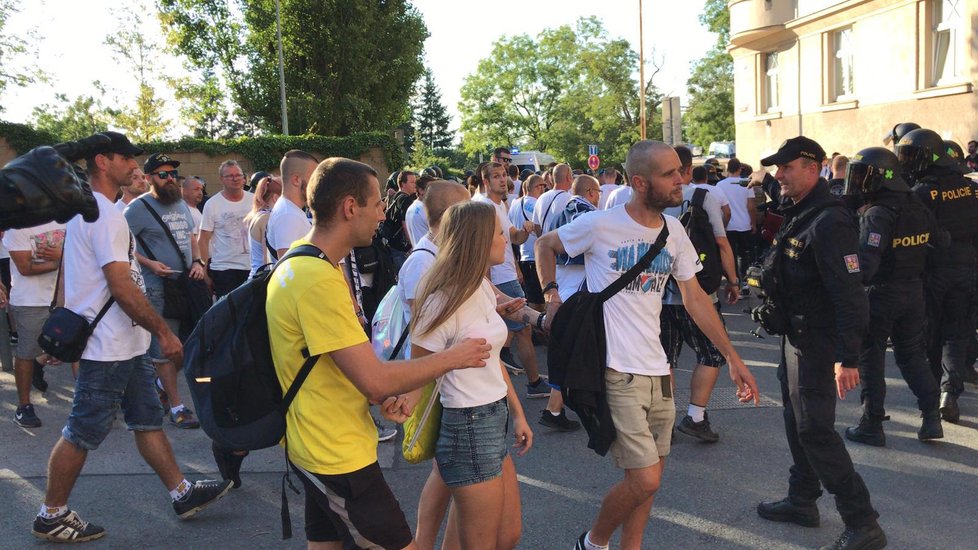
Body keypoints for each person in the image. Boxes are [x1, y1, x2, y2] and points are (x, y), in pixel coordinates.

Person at [535, 140, 758, 550]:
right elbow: (544, 244)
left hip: (659, 372)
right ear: (640, 182)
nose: (681, 179)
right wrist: (552, 294)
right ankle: (594, 542)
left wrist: (732, 356)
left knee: (648, 480)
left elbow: (693, 299)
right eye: (670, 174)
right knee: (645, 476)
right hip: (617, 371)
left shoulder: (674, 231)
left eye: (681, 171)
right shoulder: (601, 224)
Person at [267, 157, 491, 549]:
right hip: (334, 452)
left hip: (316, 441)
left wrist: (386, 392)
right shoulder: (315, 279)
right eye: (376, 204)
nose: (382, 213)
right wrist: (454, 356)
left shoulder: (303, 260)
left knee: (325, 543)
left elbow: (338, 366)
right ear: (350, 207)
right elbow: (373, 380)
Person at [32, 132, 231, 543]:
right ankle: (51, 513)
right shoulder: (102, 215)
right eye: (126, 158)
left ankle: (181, 492)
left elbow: (76, 276)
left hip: (127, 342)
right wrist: (163, 331)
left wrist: (62, 326)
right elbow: (121, 286)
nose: (134, 166)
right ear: (102, 161)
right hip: (110, 346)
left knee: (146, 420)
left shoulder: (90, 212)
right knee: (82, 431)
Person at [752, 136, 885, 550]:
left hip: (818, 342)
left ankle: (863, 523)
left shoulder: (830, 221)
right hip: (794, 335)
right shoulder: (801, 213)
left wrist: (848, 357)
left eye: (787, 167)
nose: (780, 175)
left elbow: (849, 293)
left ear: (814, 167)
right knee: (796, 421)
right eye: (778, 168)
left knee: (816, 429)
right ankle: (802, 499)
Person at [411, 200, 533, 550]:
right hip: (468, 425)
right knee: (482, 543)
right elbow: (417, 371)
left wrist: (519, 413)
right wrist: (395, 400)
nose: (504, 239)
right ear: (479, 240)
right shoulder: (441, 299)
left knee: (506, 536)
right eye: (498, 233)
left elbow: (491, 358)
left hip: (493, 418)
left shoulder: (478, 286)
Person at [841, 146, 944, 446]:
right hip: (914, 292)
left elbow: (867, 265)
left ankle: (872, 424)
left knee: (870, 358)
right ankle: (931, 416)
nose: (857, 183)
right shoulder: (915, 203)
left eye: (862, 176)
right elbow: (941, 240)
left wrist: (845, 272)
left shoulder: (877, 214)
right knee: (912, 355)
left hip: (882, 295)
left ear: (879, 178)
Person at [661, 145, 741, 443]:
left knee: (664, 359)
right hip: (697, 292)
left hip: (659, 294)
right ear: (687, 168)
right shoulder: (702, 197)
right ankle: (695, 416)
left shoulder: (655, 200)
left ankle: (664, 419)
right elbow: (721, 243)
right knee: (713, 352)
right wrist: (733, 281)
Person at [901, 128, 978, 423]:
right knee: (957, 335)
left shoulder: (922, 192)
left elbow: (916, 237)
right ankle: (951, 392)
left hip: (934, 272)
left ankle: (933, 395)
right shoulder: (972, 188)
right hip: (967, 268)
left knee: (932, 335)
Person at [125, 152, 206, 430]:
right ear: (149, 179)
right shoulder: (136, 209)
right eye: (163, 174)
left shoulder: (181, 204)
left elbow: (192, 237)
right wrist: (149, 264)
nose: (170, 178)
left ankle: (159, 382)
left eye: (173, 173)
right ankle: (177, 406)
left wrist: (198, 261)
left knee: (191, 346)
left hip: (186, 286)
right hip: (158, 289)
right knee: (165, 350)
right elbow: (122, 247)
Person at [477, 162, 549, 398]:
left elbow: (514, 238)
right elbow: (483, 252)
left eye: (504, 175)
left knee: (508, 330)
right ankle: (534, 383)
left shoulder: (500, 206)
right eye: (496, 176)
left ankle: (509, 378)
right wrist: (488, 286)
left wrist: (526, 229)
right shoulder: (484, 207)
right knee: (523, 330)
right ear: (486, 182)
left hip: (506, 273)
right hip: (499, 277)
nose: (502, 180)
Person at [3, 219, 65, 427]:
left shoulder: (71, 219)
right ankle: (24, 407)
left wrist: (62, 258)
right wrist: (61, 261)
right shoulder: (17, 226)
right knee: (27, 352)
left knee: (80, 349)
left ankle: (90, 405)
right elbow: (26, 267)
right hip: (31, 300)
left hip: (68, 296)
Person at [198, 160, 254, 298]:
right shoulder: (212, 204)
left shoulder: (254, 200)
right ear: (221, 179)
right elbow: (203, 239)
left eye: (238, 175)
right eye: (229, 176)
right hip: (225, 269)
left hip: (253, 267)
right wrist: (204, 272)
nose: (235, 179)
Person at [266, 150, 318, 260]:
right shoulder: (288, 215)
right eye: (314, 178)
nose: (317, 183)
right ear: (296, 180)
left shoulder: (289, 210)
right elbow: (290, 269)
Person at [509, 175, 546, 311]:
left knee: (530, 298)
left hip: (521, 257)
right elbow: (542, 231)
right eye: (543, 186)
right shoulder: (538, 205)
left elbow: (510, 231)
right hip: (535, 256)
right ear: (538, 187)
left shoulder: (515, 204)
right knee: (539, 302)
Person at [244, 175, 282, 277]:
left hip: (257, 277)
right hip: (262, 280)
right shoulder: (266, 218)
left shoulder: (259, 214)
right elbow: (267, 260)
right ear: (276, 198)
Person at [532, 164, 573, 234]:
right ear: (568, 177)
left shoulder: (541, 198)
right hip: (561, 243)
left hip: (544, 243)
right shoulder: (570, 199)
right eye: (571, 176)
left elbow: (536, 225)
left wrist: (544, 239)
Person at [405, 174, 433, 247]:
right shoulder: (424, 209)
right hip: (427, 253)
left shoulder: (412, 207)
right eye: (431, 189)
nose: (435, 192)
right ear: (421, 190)